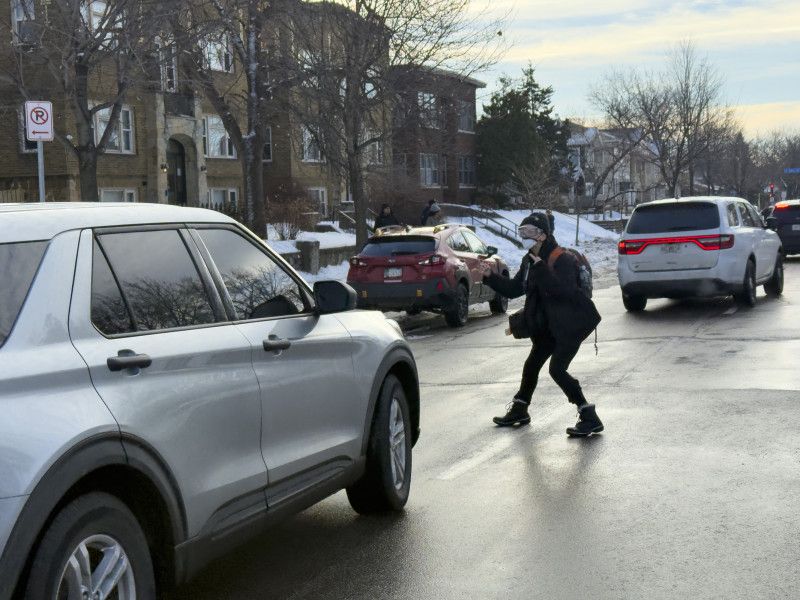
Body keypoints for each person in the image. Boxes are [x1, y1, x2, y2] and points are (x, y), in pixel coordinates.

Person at [482, 212, 603, 437]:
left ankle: (589, 416)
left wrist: (542, 269)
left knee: (557, 370)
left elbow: (564, 291)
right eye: (521, 232)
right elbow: (516, 288)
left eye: (528, 231)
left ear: (542, 235)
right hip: (548, 328)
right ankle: (520, 409)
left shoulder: (562, 258)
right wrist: (490, 277)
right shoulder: (529, 261)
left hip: (569, 326)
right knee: (531, 366)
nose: (523, 236)